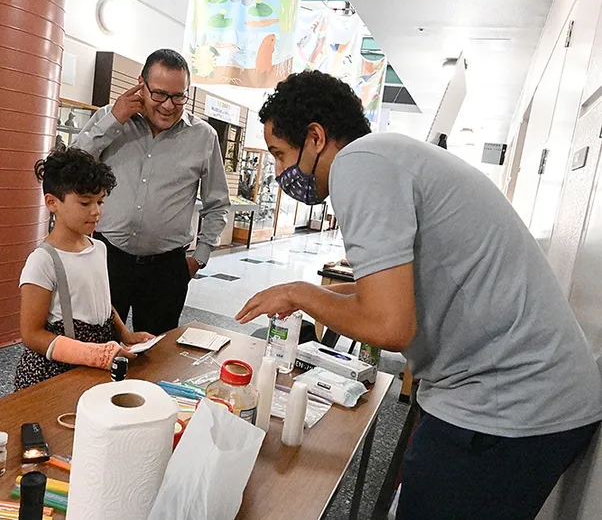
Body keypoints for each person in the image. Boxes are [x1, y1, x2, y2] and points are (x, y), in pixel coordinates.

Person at [235, 70, 602, 519]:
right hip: (530, 394)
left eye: (279, 154)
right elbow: (385, 294)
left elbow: (389, 325)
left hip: (508, 406)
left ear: (315, 137)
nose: (277, 172)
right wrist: (308, 295)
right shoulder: (390, 154)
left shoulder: (358, 164)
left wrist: (300, 292)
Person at [73, 49, 230, 334]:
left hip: (167, 269)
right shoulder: (110, 119)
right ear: (140, 85)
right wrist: (114, 120)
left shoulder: (203, 137)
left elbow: (217, 203)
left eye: (178, 96)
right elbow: (71, 168)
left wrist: (198, 258)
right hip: (108, 259)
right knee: (97, 343)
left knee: (157, 354)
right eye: (159, 94)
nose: (169, 106)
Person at [15, 149, 152, 391]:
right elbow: (32, 334)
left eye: (100, 201)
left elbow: (102, 303)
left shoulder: (98, 247)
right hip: (55, 371)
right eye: (85, 202)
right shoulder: (43, 261)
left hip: (98, 362)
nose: (96, 211)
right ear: (52, 202)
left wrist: (125, 334)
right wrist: (93, 354)